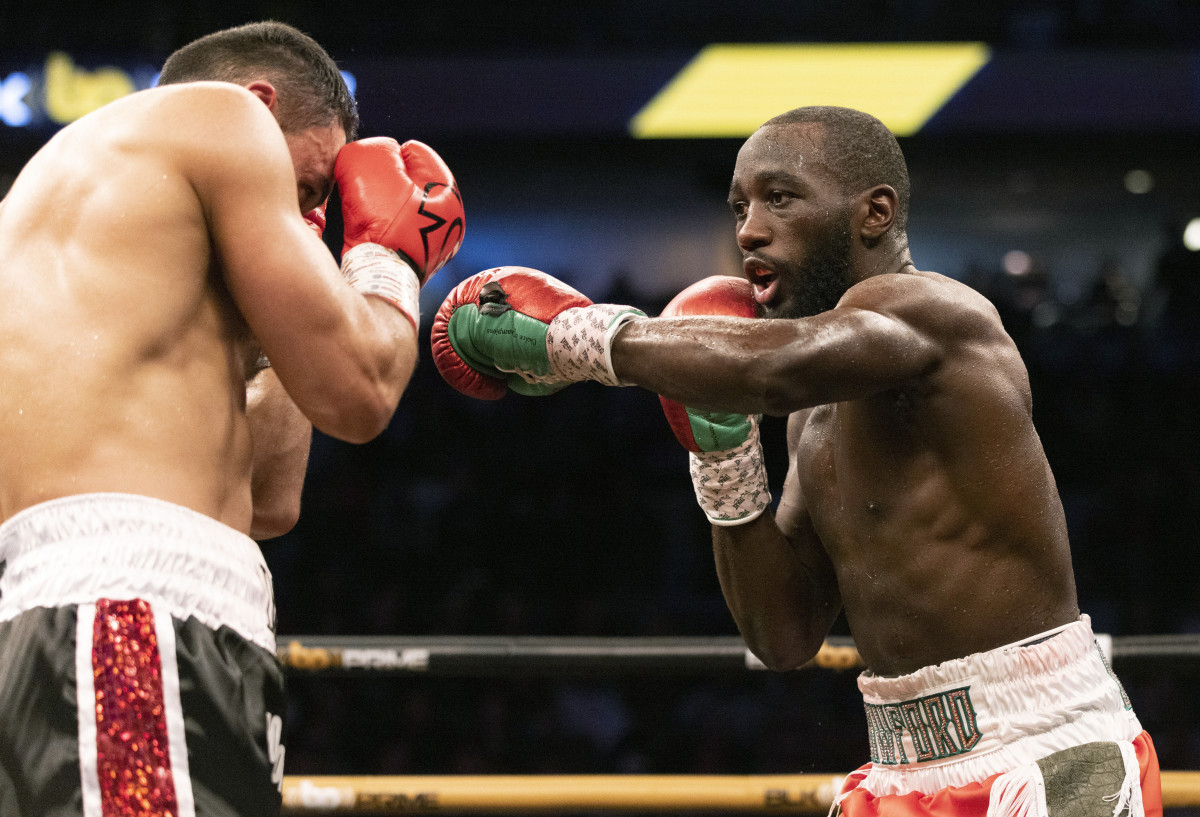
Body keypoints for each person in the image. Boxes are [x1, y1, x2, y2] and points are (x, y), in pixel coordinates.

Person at [429, 106, 1161, 816]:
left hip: (1042, 750)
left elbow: (772, 368)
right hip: (901, 764)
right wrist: (724, 453)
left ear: (873, 213)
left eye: (780, 198)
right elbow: (782, 633)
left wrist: (575, 338)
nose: (749, 229)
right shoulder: (815, 410)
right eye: (740, 204)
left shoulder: (934, 313)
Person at [0, 20, 464, 816]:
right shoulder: (221, 117)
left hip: (139, 614)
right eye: (314, 187)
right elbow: (362, 391)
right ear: (257, 102)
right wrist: (389, 261)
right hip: (128, 611)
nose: (311, 214)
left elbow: (272, 499)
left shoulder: (110, 227)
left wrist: (297, 273)